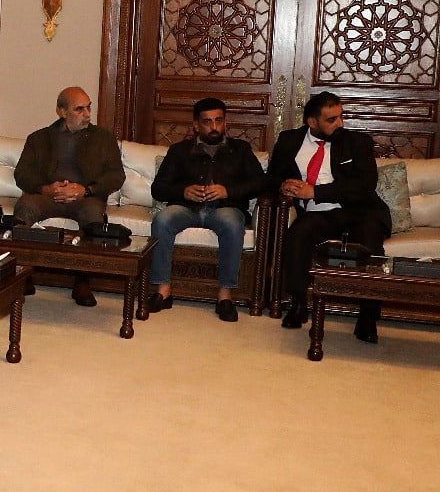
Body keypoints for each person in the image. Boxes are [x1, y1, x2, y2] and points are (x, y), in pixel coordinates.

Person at [266, 91, 390, 342]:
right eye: (331, 119)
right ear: (312, 122)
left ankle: (368, 316)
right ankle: (298, 303)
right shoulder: (290, 141)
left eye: (340, 117)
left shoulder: (358, 143)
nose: (340, 123)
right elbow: (270, 178)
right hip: (318, 214)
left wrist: (316, 191)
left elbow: (364, 186)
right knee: (298, 234)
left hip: (359, 211)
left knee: (370, 239)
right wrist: (282, 185)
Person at [147, 98, 265, 322]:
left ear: (225, 123)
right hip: (186, 208)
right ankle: (163, 290)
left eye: (218, 121)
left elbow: (260, 183)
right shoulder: (179, 151)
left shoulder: (241, 149)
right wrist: (183, 191)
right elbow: (158, 189)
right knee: (162, 220)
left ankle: (225, 295)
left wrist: (227, 191)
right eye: (207, 122)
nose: (214, 127)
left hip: (225, 208)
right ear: (196, 125)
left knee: (232, 224)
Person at [14, 86, 126, 306]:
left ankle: (83, 280)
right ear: (62, 111)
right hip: (48, 196)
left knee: (93, 214)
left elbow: (116, 175)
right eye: (79, 109)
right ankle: (23, 273)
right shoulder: (39, 138)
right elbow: (22, 174)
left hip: (85, 197)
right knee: (25, 206)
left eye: (89, 108)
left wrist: (87, 190)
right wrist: (45, 189)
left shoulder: (103, 138)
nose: (87, 114)